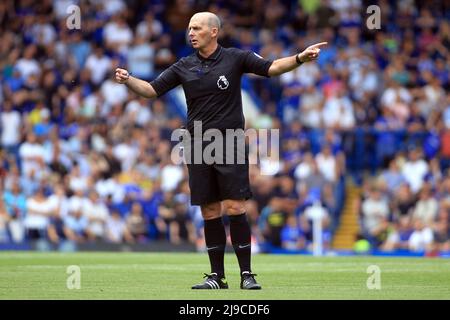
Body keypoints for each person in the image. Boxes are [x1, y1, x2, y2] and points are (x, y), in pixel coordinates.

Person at [115, 12, 326, 290]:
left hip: (230, 142)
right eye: (189, 28)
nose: (191, 32)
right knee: (209, 210)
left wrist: (299, 58)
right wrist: (129, 79)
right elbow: (152, 90)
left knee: (235, 206)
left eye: (197, 28)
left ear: (213, 31)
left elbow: (272, 67)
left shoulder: (235, 58)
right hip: (197, 144)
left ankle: (247, 275)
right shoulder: (183, 65)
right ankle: (216, 277)